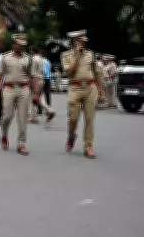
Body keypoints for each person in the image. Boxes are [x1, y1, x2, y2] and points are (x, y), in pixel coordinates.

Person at [0, 34, 40, 156]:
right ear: (14, 44)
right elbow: (0, 75)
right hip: (8, 89)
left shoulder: (29, 59)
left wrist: (36, 93)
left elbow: (33, 77)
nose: (21, 47)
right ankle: (4, 134)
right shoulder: (5, 58)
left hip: (24, 89)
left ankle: (21, 144)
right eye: (19, 44)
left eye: (23, 45)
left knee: (23, 118)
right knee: (7, 116)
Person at [61, 30, 104, 159]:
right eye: (80, 41)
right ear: (75, 42)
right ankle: (71, 135)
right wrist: (77, 57)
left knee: (90, 119)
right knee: (73, 118)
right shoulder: (66, 55)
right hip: (75, 88)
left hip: (90, 87)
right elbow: (69, 72)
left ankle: (89, 147)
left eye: (84, 42)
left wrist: (101, 91)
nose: (83, 44)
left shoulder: (91, 55)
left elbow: (97, 74)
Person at [29, 48, 56, 124]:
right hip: (42, 79)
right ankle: (33, 116)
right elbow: (44, 71)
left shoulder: (33, 59)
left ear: (32, 51)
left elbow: (32, 73)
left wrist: (31, 82)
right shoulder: (42, 59)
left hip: (36, 79)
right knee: (36, 98)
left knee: (35, 97)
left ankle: (49, 110)